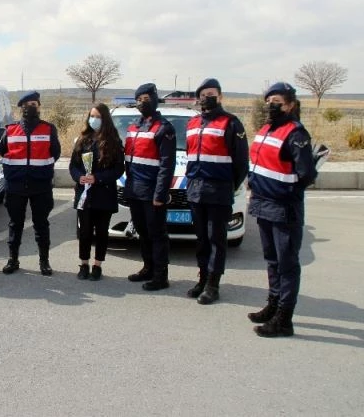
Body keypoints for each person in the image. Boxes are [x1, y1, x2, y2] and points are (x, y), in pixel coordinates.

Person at [247, 82, 317, 338]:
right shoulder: (267, 129)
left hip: (283, 207)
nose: (271, 105)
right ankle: (273, 305)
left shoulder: (296, 133)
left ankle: (284, 319)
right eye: (268, 101)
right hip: (263, 204)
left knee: (287, 264)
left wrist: (284, 193)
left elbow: (306, 174)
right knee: (272, 260)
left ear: (289, 105)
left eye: (276, 101)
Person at [185, 78, 249, 304]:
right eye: (203, 94)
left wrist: (228, 186)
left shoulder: (231, 123)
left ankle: (213, 284)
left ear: (220, 96)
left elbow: (241, 163)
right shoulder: (192, 124)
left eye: (211, 93)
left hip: (219, 191)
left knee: (216, 239)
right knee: (201, 239)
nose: (207, 97)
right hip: (195, 191)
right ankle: (202, 279)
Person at [0, 90, 61, 276]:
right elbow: (3, 151)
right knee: (14, 224)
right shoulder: (10, 130)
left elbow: (55, 152)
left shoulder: (49, 129)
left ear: (39, 107)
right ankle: (13, 260)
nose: (30, 108)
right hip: (16, 185)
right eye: (26, 105)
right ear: (21, 109)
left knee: (41, 224)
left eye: (34, 104)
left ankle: (44, 262)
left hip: (40, 185)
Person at [124, 83, 176, 291]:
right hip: (134, 190)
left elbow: (167, 165)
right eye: (139, 99)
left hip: (152, 193)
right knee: (143, 233)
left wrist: (160, 194)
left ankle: (161, 276)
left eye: (146, 99)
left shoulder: (164, 128)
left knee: (157, 234)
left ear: (154, 99)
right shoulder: (132, 127)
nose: (142, 103)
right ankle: (148, 267)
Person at [69, 103, 124, 281]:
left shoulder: (113, 141)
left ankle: (97, 265)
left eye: (98, 117)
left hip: (104, 195)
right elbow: (73, 166)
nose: (94, 120)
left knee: (101, 233)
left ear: (105, 119)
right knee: (84, 232)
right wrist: (79, 177)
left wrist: (98, 178)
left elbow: (118, 169)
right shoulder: (82, 140)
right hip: (84, 195)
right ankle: (83, 264)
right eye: (92, 116)